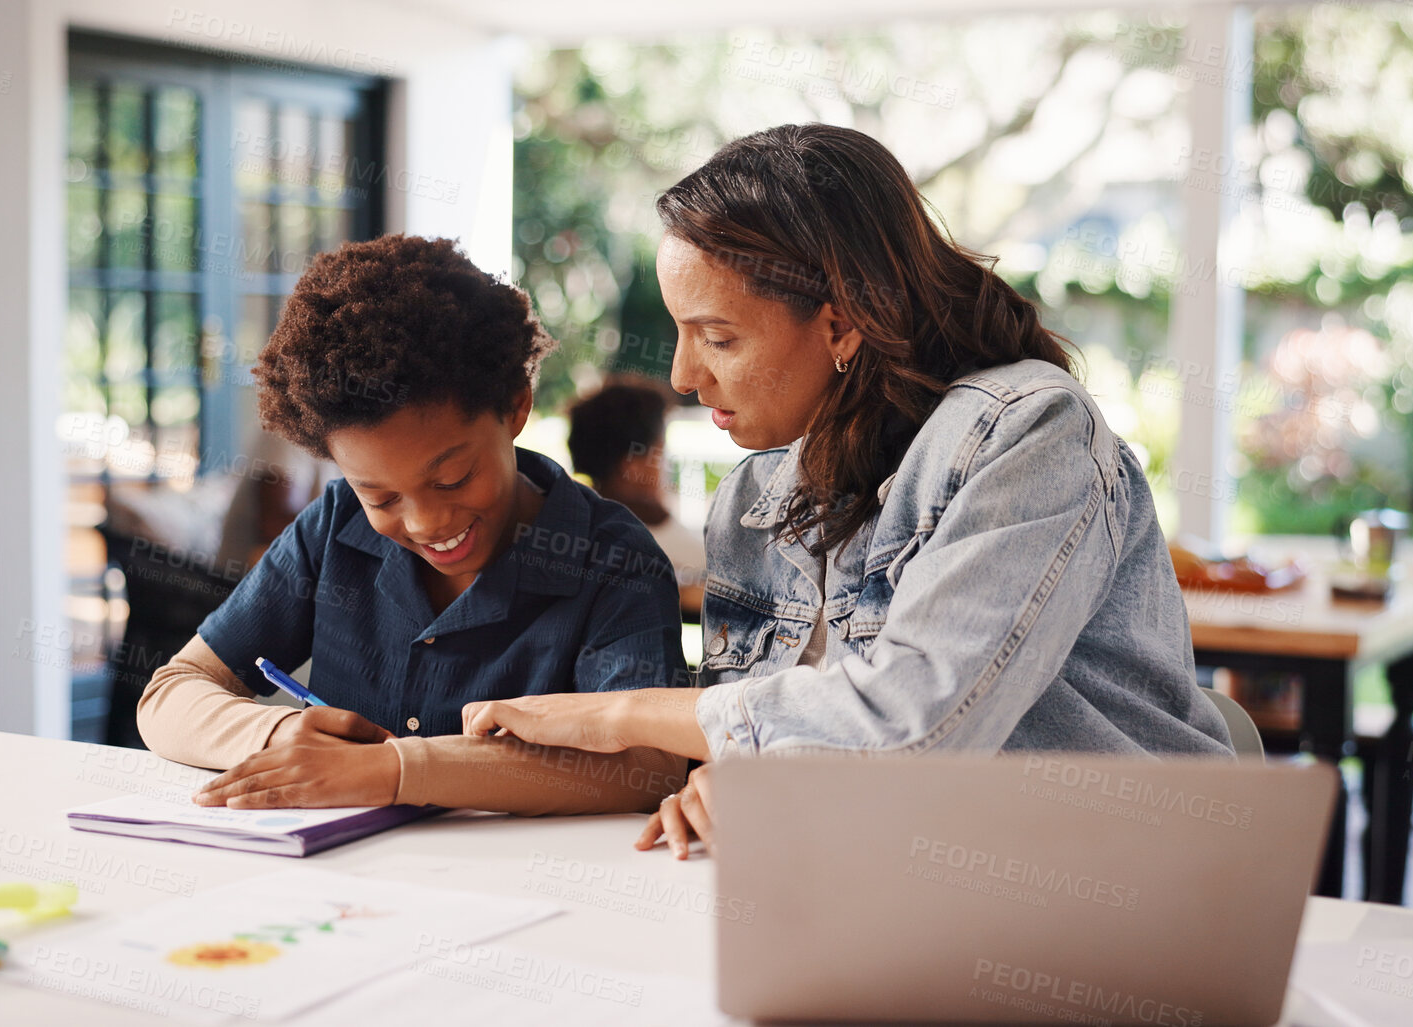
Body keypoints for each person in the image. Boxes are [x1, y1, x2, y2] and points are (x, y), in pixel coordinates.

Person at [458, 124, 1233, 856]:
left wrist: (619, 711)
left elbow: (915, 726)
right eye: (681, 334)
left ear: (842, 325)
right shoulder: (753, 496)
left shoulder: (1029, 431)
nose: (683, 378)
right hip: (893, 883)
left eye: (718, 337)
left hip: (1114, 884)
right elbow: (765, 751)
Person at [136, 235, 691, 815]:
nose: (426, 521)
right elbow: (169, 695)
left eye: (451, 479)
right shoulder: (334, 528)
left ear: (516, 408)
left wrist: (397, 770)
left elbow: (648, 766)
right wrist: (273, 735)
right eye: (380, 495)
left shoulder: (609, 558)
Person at [566, 382, 707, 620]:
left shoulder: (568, 529)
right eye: (661, 453)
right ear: (632, 465)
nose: (666, 467)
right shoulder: (673, 544)